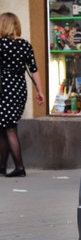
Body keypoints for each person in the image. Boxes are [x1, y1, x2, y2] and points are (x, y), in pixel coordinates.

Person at [0, 12, 44, 177]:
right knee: (4, 127)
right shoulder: (25, 45)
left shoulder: (1, 44)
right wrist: (40, 91)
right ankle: (2, 166)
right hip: (19, 90)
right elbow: (34, 70)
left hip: (4, 90)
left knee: (9, 128)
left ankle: (19, 167)